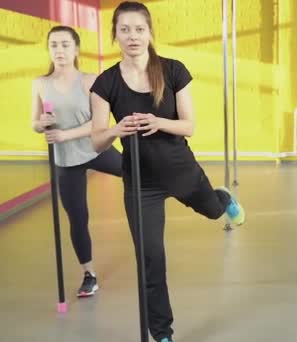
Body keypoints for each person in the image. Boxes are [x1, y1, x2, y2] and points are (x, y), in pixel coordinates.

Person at [90, 2, 245, 341]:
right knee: (150, 260)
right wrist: (118, 130)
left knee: (213, 210)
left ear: (150, 33)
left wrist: (158, 121)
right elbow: (97, 143)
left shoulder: (174, 70)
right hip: (141, 183)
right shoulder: (105, 83)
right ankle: (162, 333)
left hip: (180, 169)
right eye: (125, 29)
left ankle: (221, 199)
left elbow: (189, 126)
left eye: (139, 29)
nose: (132, 36)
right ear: (115, 34)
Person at [31, 25, 122, 298]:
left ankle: (203, 195)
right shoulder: (40, 83)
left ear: (76, 49)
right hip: (66, 160)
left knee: (139, 172)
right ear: (49, 50)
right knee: (78, 218)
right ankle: (89, 274)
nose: (59, 50)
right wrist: (41, 124)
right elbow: (34, 123)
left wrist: (64, 133)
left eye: (65, 45)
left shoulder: (90, 80)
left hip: (96, 149)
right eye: (54, 45)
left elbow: (99, 122)